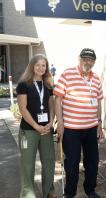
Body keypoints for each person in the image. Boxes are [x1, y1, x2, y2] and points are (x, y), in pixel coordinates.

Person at [54, 48, 104, 198]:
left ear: (94, 62)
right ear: (79, 59)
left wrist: (99, 123)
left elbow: (99, 102)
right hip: (71, 129)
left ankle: (90, 190)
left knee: (92, 162)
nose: (87, 62)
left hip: (91, 128)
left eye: (91, 60)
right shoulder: (67, 74)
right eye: (85, 59)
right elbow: (58, 99)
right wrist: (60, 122)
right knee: (72, 164)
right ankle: (70, 193)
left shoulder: (96, 78)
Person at [16, 54, 56, 198]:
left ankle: (49, 191)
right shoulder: (23, 84)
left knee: (49, 162)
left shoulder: (48, 84)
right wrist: (36, 126)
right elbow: (22, 108)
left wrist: (51, 122)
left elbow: (51, 105)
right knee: (28, 164)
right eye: (38, 65)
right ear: (32, 66)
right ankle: (28, 193)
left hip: (46, 130)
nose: (40, 68)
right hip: (29, 130)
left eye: (43, 65)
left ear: (46, 67)